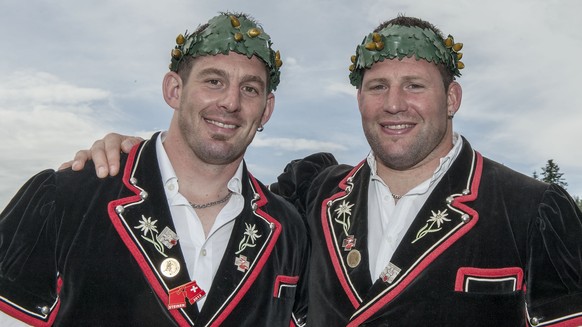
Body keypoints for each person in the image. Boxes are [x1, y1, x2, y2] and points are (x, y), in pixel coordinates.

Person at [63, 15, 582, 326]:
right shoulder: (317, 193)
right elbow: (217, 192)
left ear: (453, 98)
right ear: (359, 99)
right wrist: (136, 157)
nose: (394, 104)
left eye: (415, 86)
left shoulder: (533, 209)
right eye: (377, 87)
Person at [0, 12, 308, 326]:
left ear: (266, 110)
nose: (230, 102)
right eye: (214, 81)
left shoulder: (289, 230)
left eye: (250, 89)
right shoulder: (70, 196)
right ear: (174, 90)